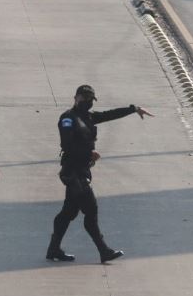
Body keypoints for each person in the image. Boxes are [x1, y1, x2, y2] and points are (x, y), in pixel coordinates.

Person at [46, 84, 154, 263]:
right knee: (91, 209)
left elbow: (109, 115)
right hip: (73, 173)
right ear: (76, 98)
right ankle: (104, 250)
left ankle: (53, 249)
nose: (88, 102)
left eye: (90, 100)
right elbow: (67, 145)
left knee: (68, 212)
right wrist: (89, 153)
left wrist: (133, 109)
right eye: (85, 99)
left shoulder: (88, 117)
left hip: (81, 171)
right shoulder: (68, 118)